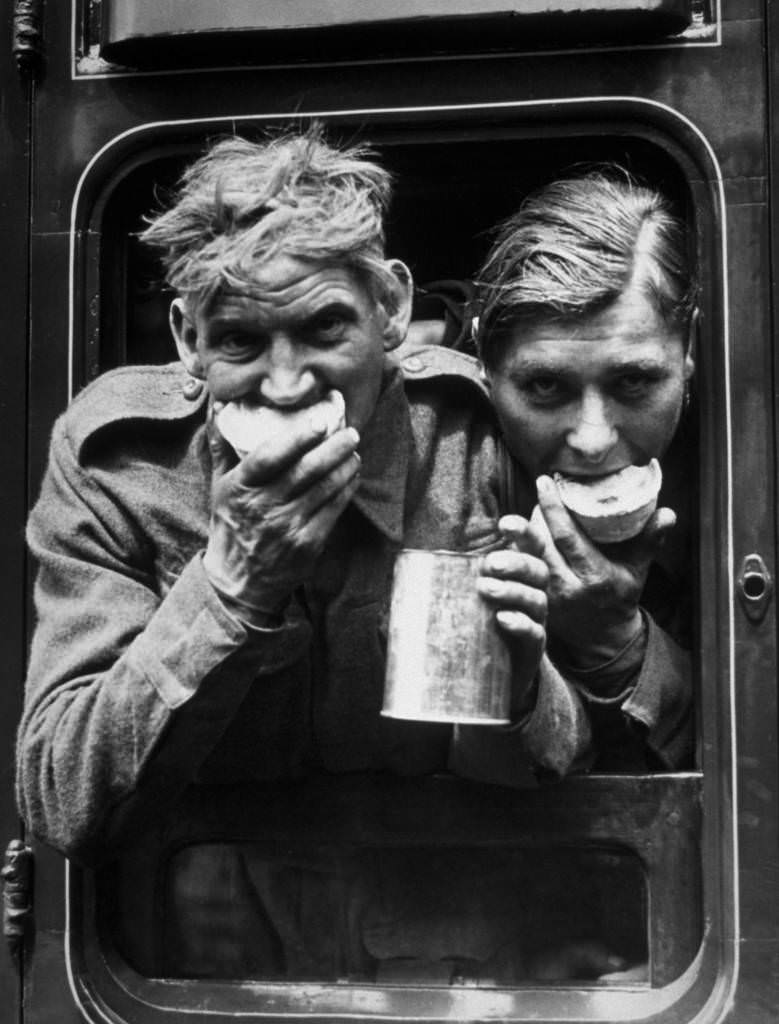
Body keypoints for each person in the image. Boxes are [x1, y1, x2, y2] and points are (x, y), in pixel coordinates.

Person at [16, 128, 606, 982]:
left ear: (392, 310)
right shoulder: (116, 464)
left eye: (325, 326)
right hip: (197, 961)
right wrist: (226, 591)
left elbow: (600, 741)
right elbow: (58, 800)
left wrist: (524, 690)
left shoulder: (475, 434)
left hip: (453, 942)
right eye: (241, 343)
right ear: (186, 339)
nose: (287, 383)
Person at [471, 168, 696, 775]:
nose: (593, 440)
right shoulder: (446, 472)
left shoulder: (747, 476)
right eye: (545, 386)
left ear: (690, 348)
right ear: (484, 369)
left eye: (634, 382)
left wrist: (615, 640)